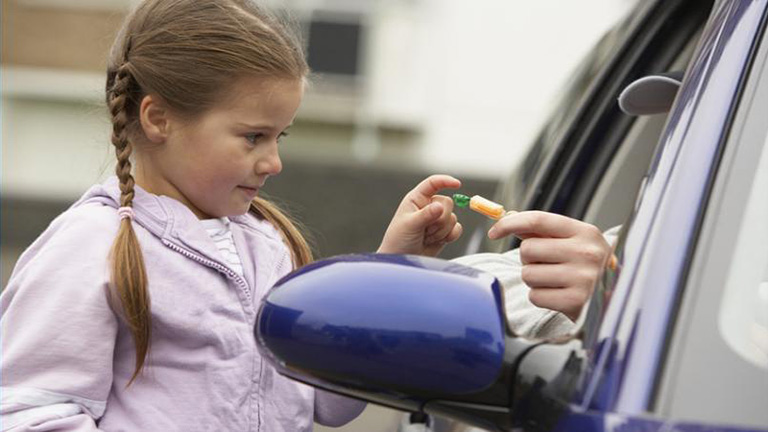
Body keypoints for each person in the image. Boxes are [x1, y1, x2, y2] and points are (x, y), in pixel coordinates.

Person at [0, 1, 463, 431]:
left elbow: (332, 401)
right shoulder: (91, 246)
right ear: (157, 118)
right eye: (253, 137)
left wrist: (392, 269)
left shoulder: (269, 243)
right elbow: (29, 411)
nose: (273, 162)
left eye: (280, 136)